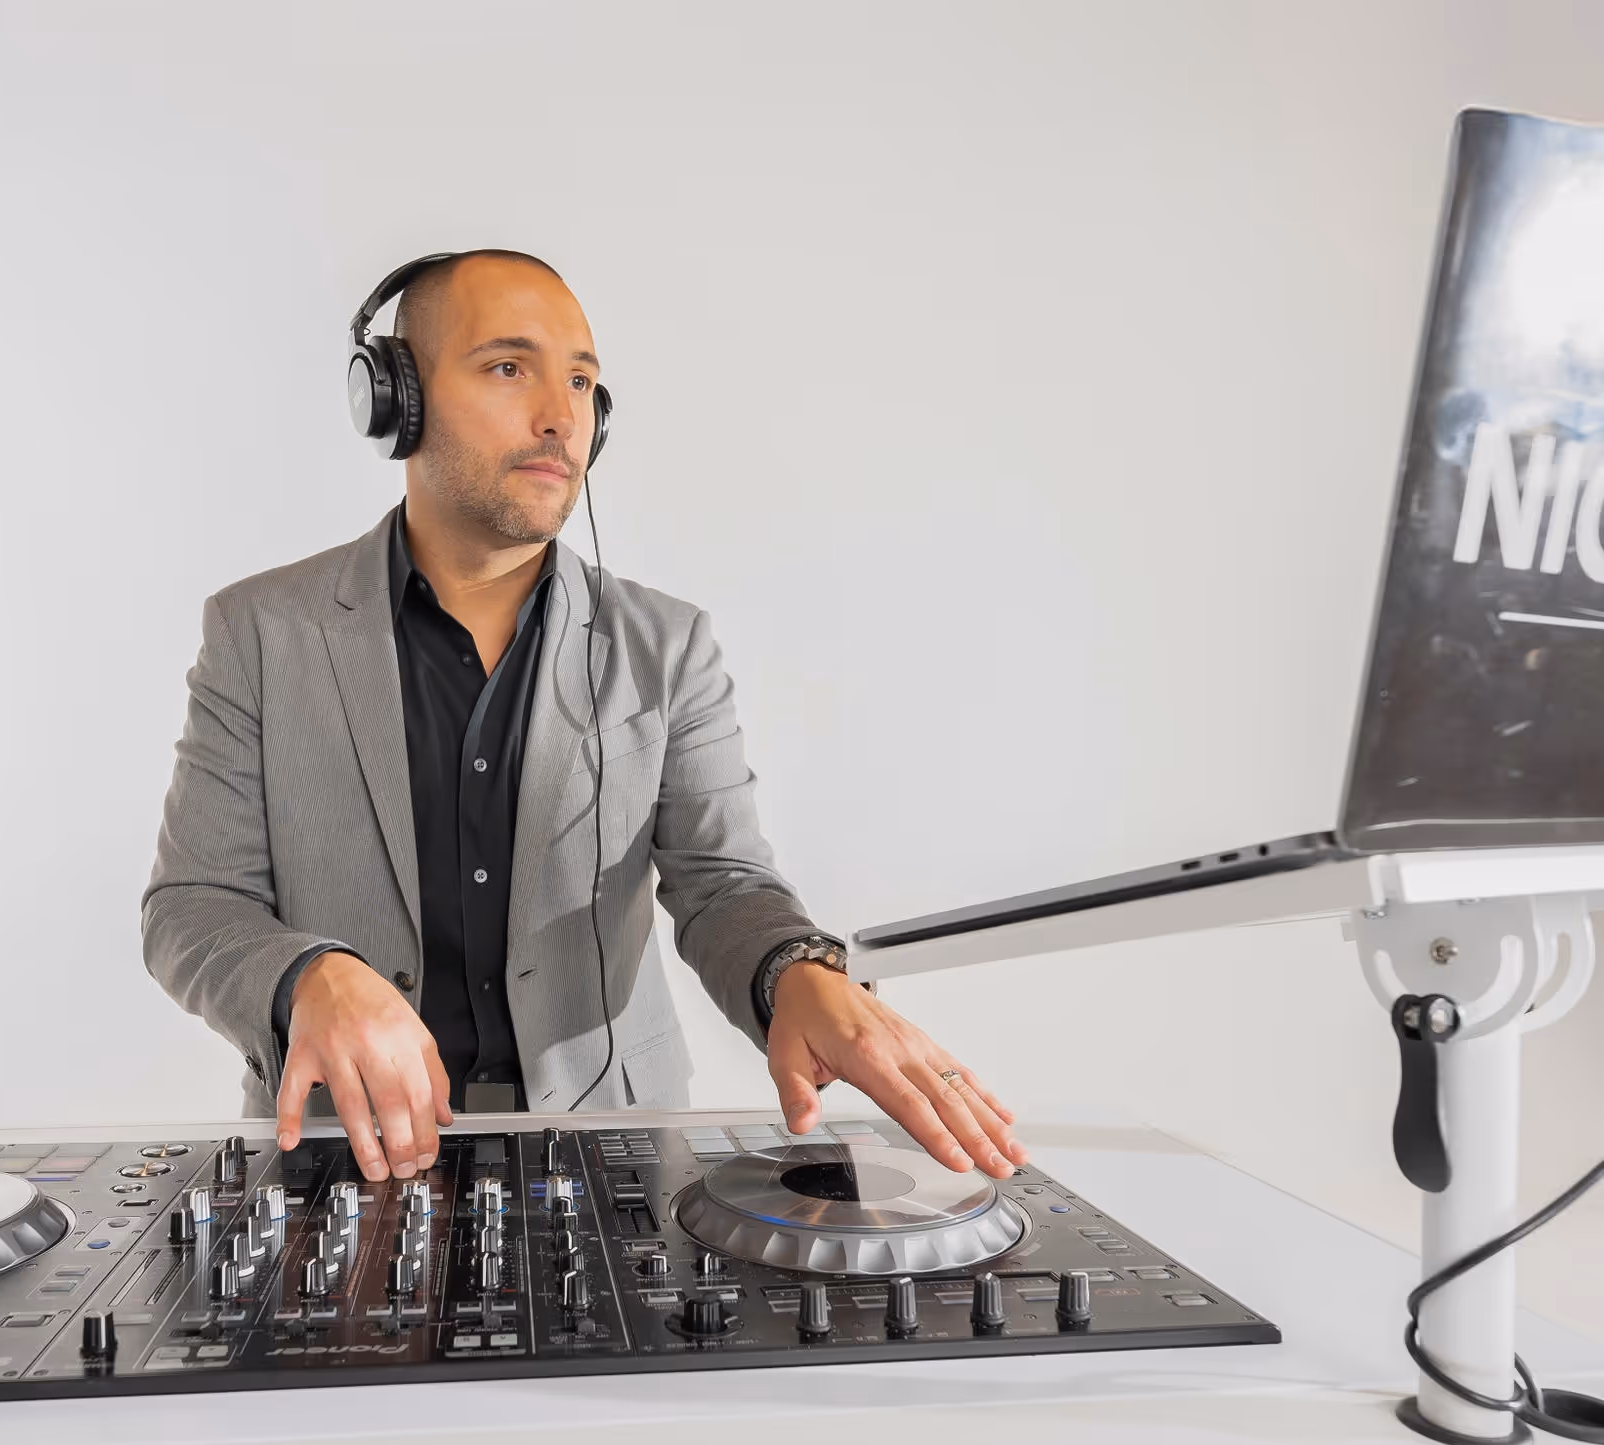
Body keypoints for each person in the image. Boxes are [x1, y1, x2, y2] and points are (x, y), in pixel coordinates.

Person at [140, 249, 1024, 1181]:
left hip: (615, 1159)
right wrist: (305, 974)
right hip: (338, 1154)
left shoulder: (668, 645)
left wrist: (796, 973)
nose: (561, 416)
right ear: (397, 399)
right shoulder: (262, 631)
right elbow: (192, 906)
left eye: (582, 381)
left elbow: (724, 884)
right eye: (509, 368)